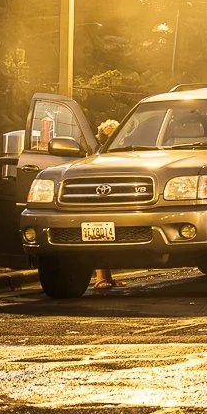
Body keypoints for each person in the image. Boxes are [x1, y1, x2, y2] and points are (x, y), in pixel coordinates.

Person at [90, 118, 122, 290]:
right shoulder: (97, 154)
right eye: (107, 136)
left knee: (109, 239)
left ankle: (108, 278)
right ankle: (100, 278)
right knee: (98, 238)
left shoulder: (120, 152)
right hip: (99, 203)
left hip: (114, 202)